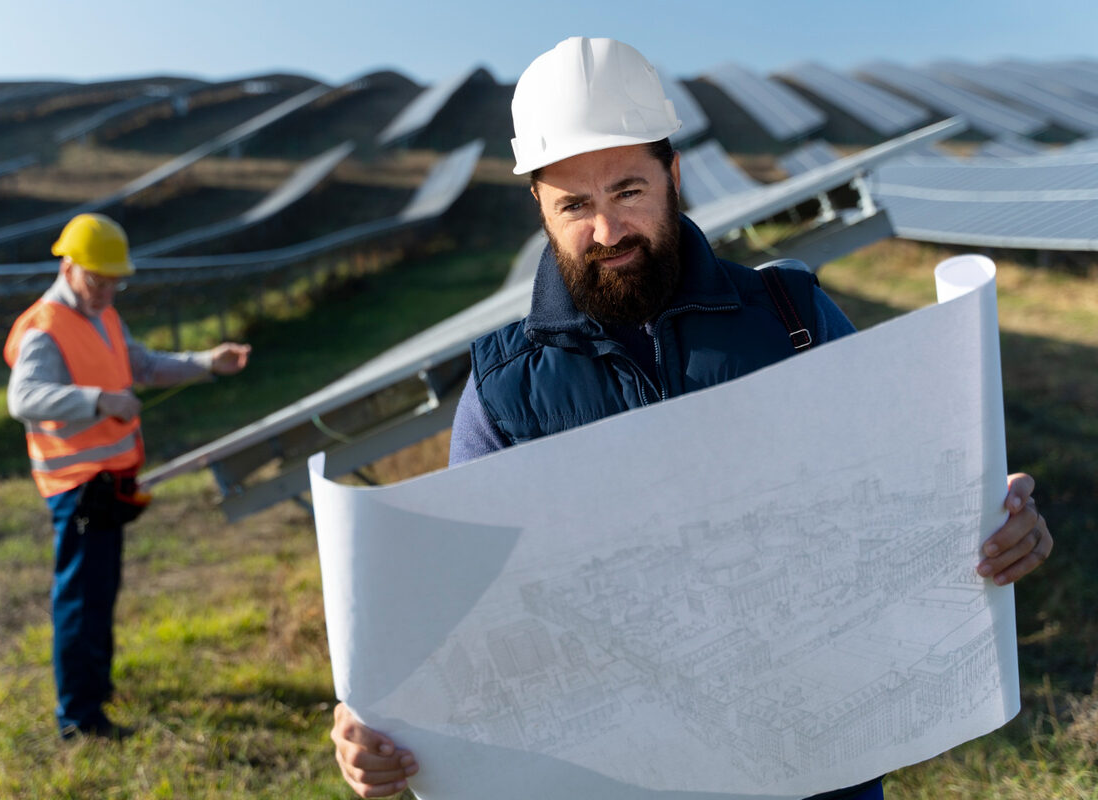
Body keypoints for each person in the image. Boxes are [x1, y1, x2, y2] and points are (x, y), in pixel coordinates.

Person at [331, 37, 1054, 799]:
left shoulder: (792, 317)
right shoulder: (504, 394)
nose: (608, 231)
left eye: (629, 191)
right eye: (575, 204)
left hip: (820, 773)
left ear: (674, 177)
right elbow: (453, 621)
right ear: (538, 206)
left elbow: (916, 493)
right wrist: (375, 724)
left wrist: (995, 522)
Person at [4, 212, 252, 740]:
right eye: (98, 279)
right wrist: (98, 401)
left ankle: (96, 689)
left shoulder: (104, 316)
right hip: (76, 491)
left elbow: (142, 365)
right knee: (80, 599)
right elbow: (22, 399)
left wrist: (208, 362)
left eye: (115, 280)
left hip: (107, 486)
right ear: (69, 267)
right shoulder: (45, 329)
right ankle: (80, 718)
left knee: (100, 592)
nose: (108, 290)